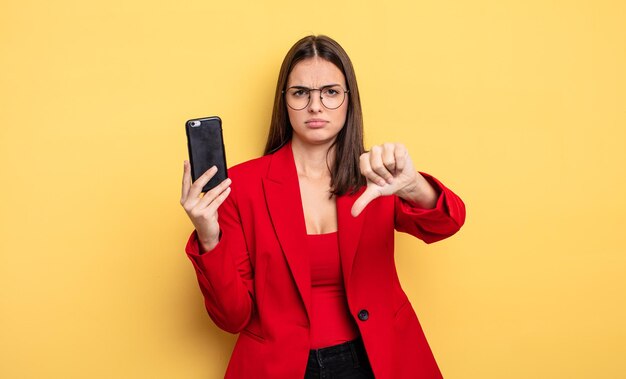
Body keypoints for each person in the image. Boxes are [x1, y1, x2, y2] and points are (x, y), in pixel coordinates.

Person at [180, 35, 466, 379]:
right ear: (284, 102)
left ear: (349, 100)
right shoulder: (240, 186)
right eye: (301, 93)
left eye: (330, 92)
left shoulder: (377, 173)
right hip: (281, 367)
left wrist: (413, 186)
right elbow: (232, 317)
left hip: (378, 360)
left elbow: (447, 223)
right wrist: (209, 236)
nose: (315, 106)